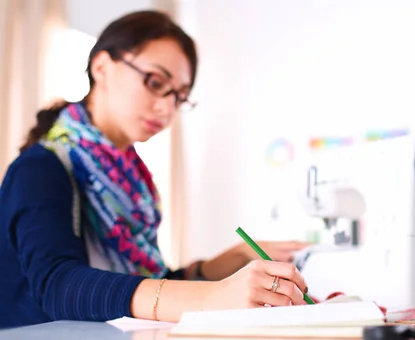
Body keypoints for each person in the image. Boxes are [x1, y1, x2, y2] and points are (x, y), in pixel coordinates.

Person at [0, 10, 310, 329]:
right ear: (102, 68)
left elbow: (144, 283)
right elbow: (59, 286)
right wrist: (210, 298)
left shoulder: (134, 184)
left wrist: (228, 262)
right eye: (155, 82)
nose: (166, 108)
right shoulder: (40, 168)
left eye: (179, 97)